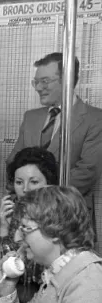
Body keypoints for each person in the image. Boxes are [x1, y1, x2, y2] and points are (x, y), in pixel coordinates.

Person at [8, 52, 102, 220]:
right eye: (36, 82)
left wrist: (40, 198)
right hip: (27, 217)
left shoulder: (94, 119)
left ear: (68, 80)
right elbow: (13, 162)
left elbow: (87, 172)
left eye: (44, 81)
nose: (38, 87)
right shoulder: (31, 117)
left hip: (69, 218)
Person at [0, 147, 58, 303]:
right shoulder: (16, 213)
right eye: (19, 182)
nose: (25, 189)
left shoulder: (58, 217)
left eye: (34, 182)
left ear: (49, 184)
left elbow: (41, 277)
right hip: (20, 299)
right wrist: (4, 228)